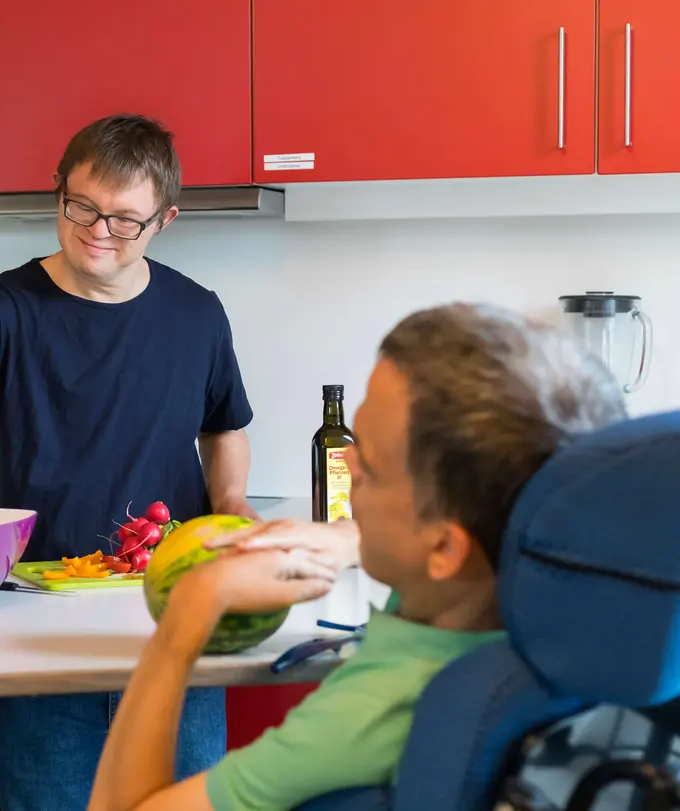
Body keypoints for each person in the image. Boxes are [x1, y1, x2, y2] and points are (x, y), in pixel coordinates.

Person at [86, 302, 628, 811]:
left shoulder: (366, 717)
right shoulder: (566, 615)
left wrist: (186, 619)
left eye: (368, 460)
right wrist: (346, 539)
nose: (348, 465)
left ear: (441, 546)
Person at [0, 113, 256, 810]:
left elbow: (224, 425)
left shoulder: (197, 313)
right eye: (80, 204)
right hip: (39, 625)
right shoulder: (2, 304)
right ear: (59, 189)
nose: (97, 229)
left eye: (123, 219)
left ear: (164, 220)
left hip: (171, 621)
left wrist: (233, 508)